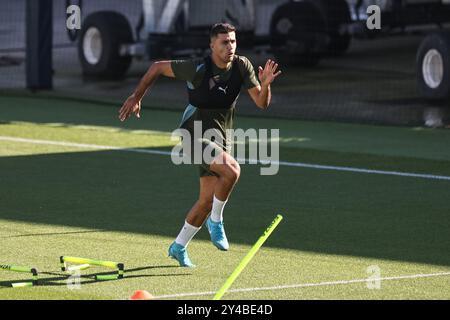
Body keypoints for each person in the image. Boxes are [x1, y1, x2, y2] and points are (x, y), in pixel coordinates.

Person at [118, 23, 281, 267]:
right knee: (233, 170)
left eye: (233, 41)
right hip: (192, 133)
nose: (230, 47)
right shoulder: (197, 68)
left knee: (206, 200)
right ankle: (216, 222)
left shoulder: (241, 65)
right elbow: (157, 67)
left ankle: (178, 246)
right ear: (212, 45)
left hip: (220, 138)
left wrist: (265, 84)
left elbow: (261, 102)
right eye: (225, 42)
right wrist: (136, 96)